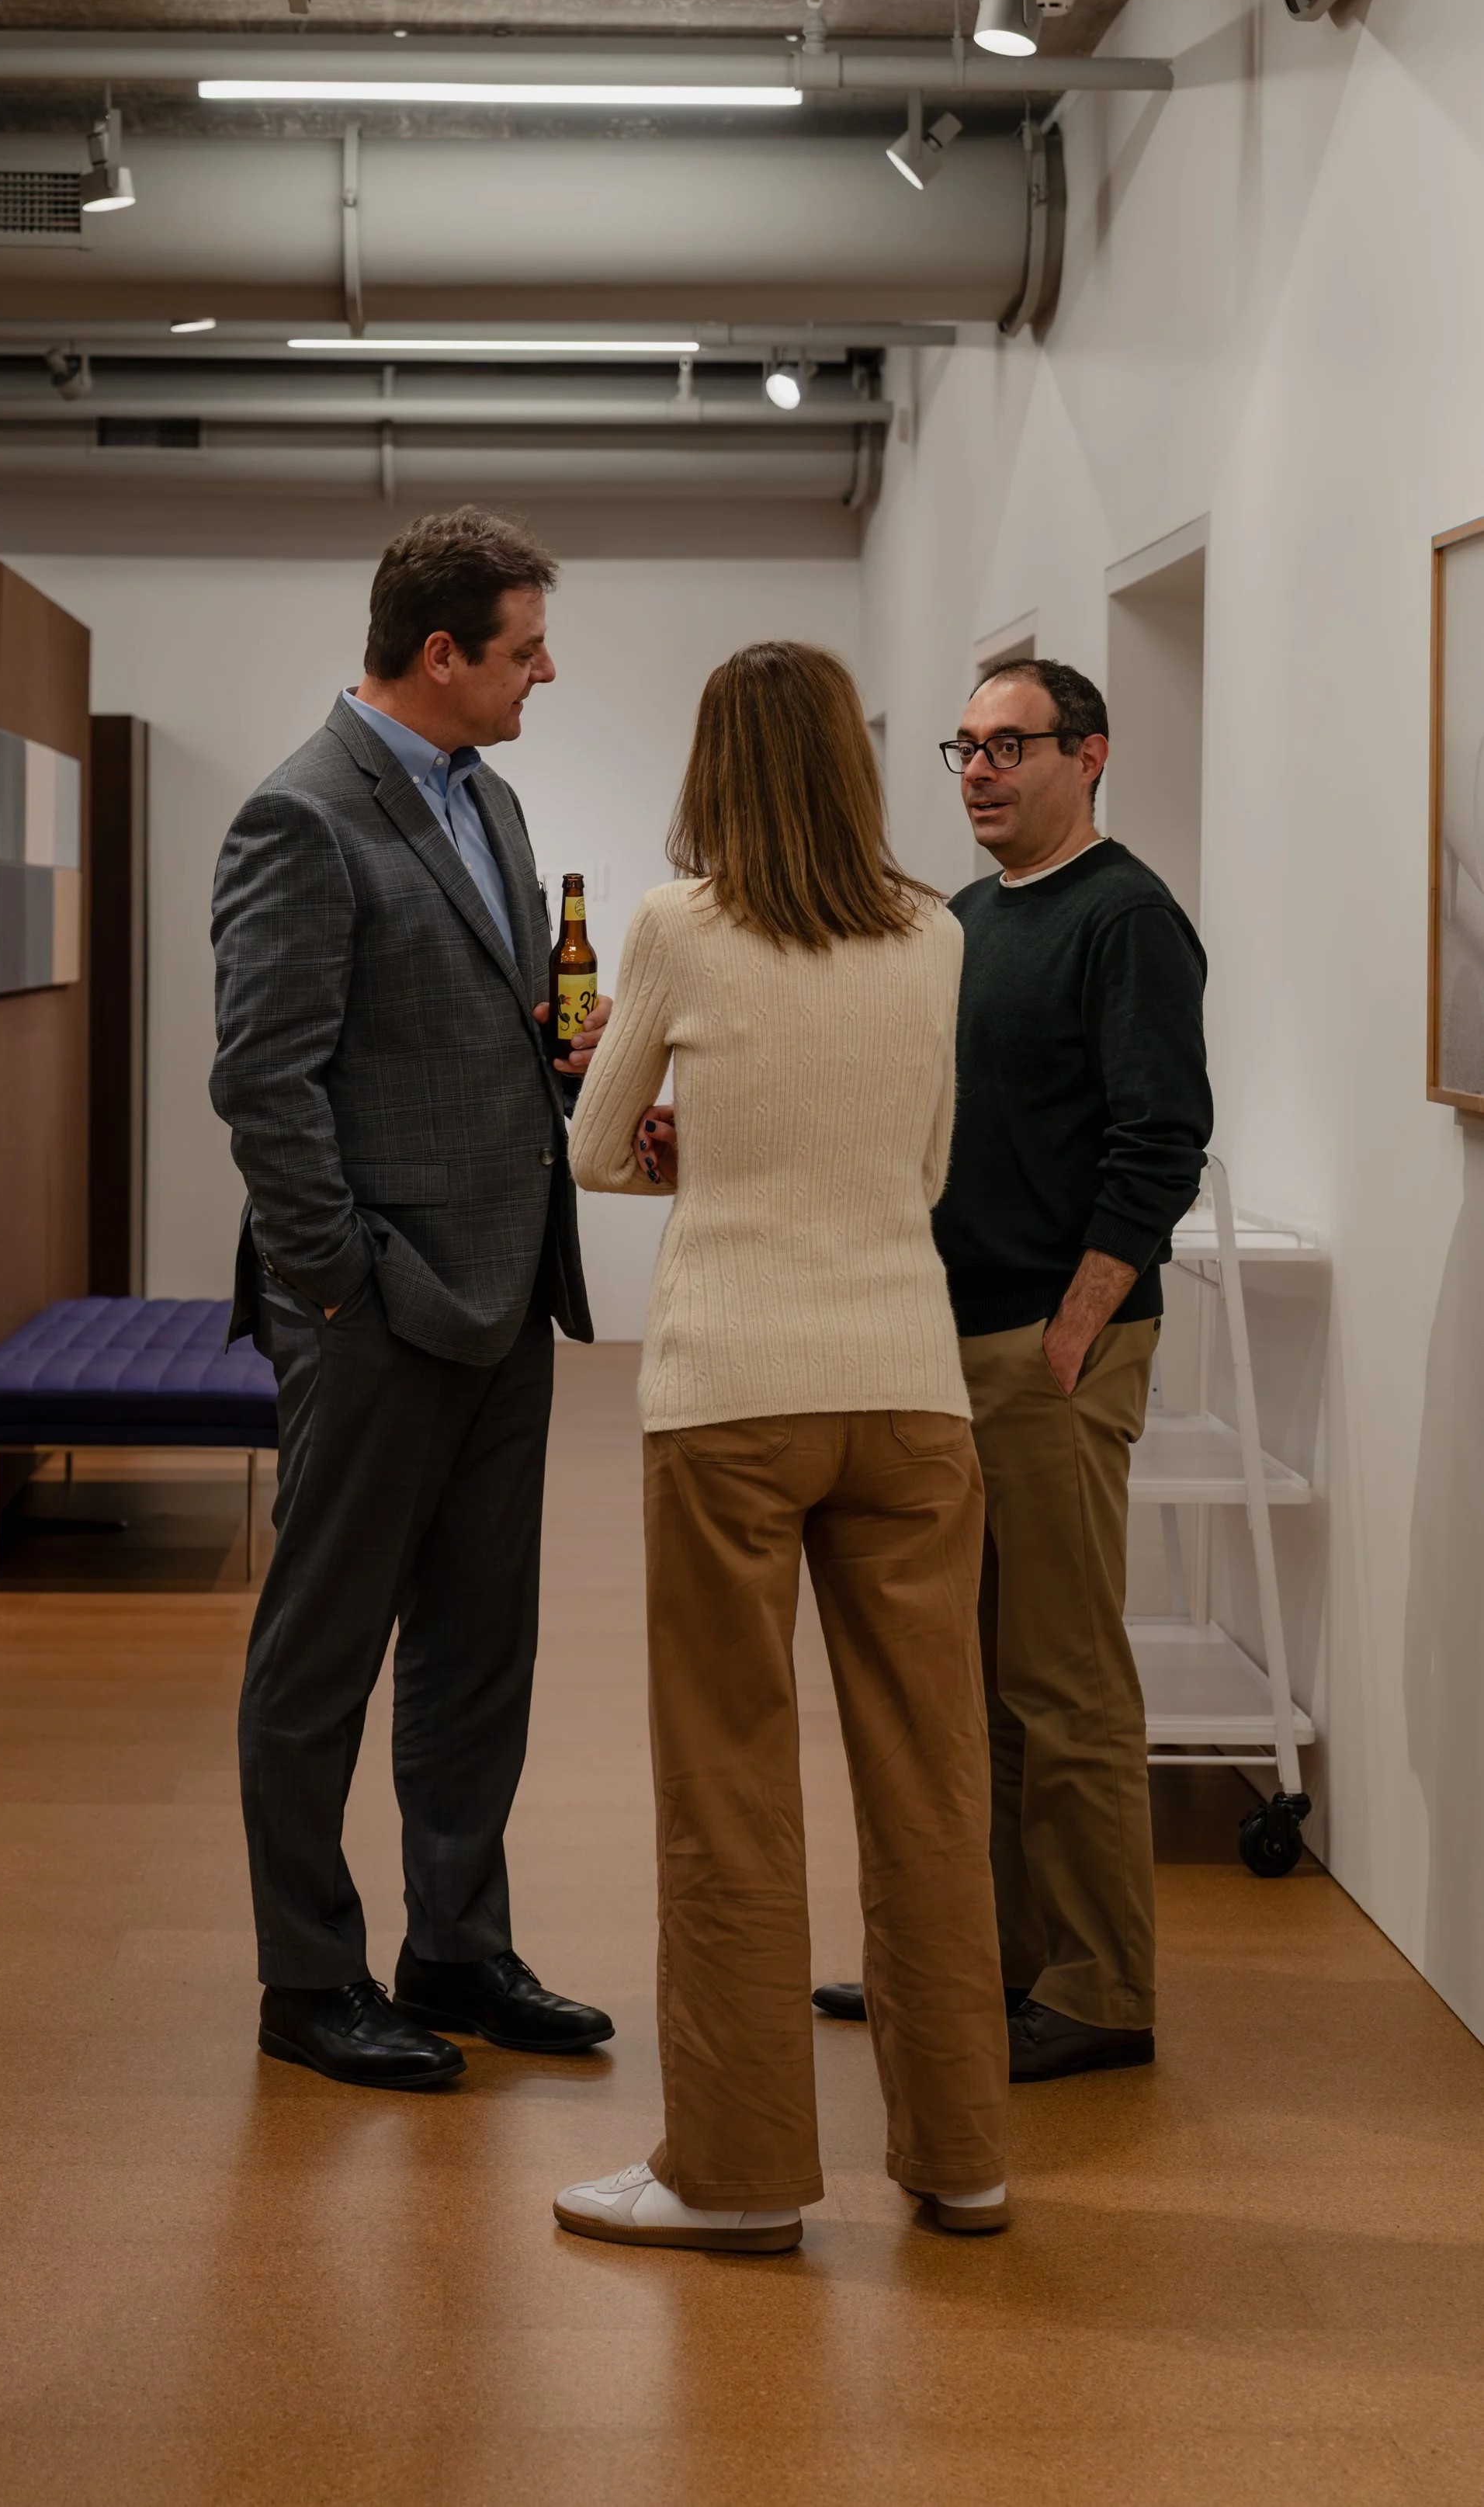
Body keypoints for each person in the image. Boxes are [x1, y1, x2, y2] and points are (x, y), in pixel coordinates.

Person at [552, 641, 1010, 2258]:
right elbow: (927, 1162)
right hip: (907, 1390)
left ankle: (736, 2178)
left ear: (712, 766)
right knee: (930, 1786)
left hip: (729, 1395)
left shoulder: (679, 926)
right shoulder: (936, 933)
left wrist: (701, 1155)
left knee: (729, 1791)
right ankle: (961, 2160)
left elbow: (598, 1146)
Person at [210, 508, 614, 2091]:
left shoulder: (488, 805)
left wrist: (552, 1062)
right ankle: (307, 1980)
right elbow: (262, 1082)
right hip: (376, 1313)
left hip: (506, 1300)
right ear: (439, 654)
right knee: (320, 1658)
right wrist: (339, 1285)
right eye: (523, 649)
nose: (544, 672)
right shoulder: (302, 817)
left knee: (474, 1650)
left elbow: (469, 1025)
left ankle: (452, 1944)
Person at [814, 658, 1211, 2082]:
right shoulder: (970, 918)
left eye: (1010, 746)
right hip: (947, 1342)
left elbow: (1163, 1136)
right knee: (971, 1681)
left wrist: (1078, 1321)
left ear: (1088, 756)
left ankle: (1100, 1991)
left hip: (1053, 1350)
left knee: (1064, 1677)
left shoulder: (1127, 917)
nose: (979, 770)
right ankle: (983, 1961)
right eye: (963, 747)